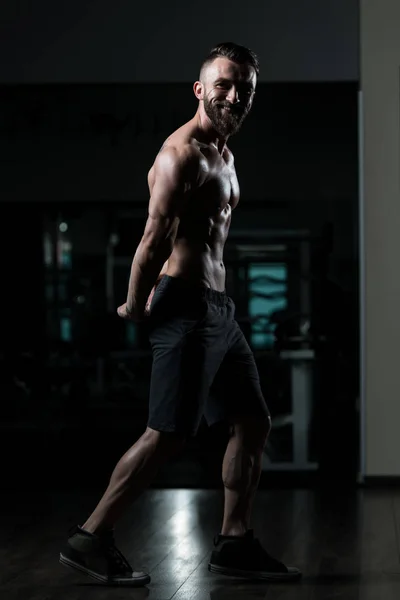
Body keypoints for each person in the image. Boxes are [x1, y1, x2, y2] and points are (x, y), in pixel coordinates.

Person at [59, 42, 301, 586]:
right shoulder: (181, 155)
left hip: (220, 310)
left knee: (253, 421)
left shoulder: (226, 155)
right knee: (166, 434)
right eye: (224, 85)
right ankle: (90, 537)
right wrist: (134, 302)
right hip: (185, 306)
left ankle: (234, 542)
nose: (234, 96)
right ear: (200, 89)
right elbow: (152, 240)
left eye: (245, 89)